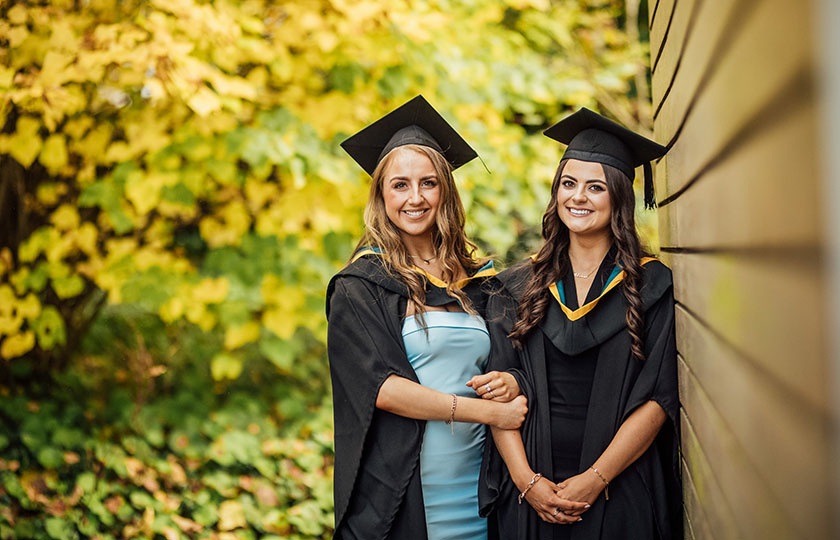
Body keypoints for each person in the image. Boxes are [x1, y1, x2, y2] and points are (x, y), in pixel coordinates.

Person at [326, 95, 528, 540]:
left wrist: (512, 382)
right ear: (381, 193)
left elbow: (509, 363)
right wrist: (487, 413)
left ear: (445, 192)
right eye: (400, 185)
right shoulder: (362, 284)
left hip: (480, 483)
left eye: (428, 184)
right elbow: (382, 388)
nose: (415, 198)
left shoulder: (482, 283)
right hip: (402, 490)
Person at [480, 108, 682, 539]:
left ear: (619, 198)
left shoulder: (651, 286)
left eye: (596, 187)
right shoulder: (514, 288)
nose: (579, 197)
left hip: (619, 489)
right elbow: (495, 399)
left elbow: (657, 399)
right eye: (568, 184)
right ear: (555, 195)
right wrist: (525, 481)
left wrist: (596, 479)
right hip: (531, 492)